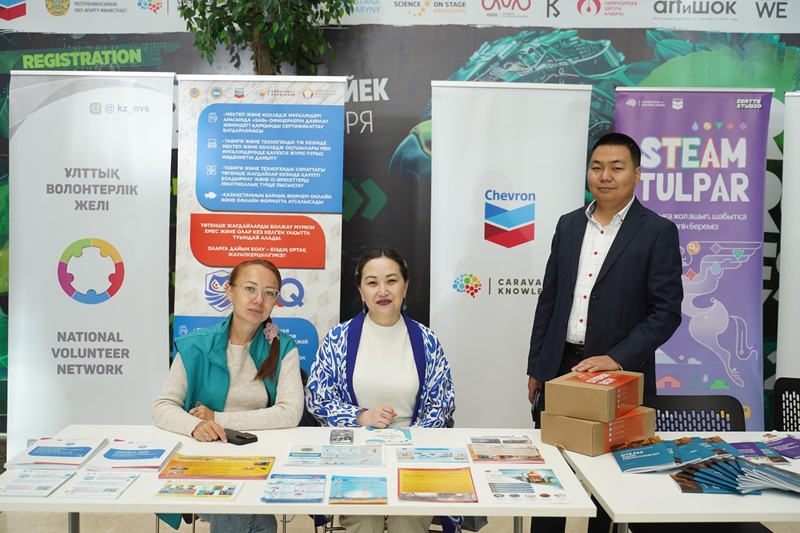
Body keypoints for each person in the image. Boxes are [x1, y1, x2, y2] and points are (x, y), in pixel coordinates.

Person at [527, 132, 683, 533]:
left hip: (618, 374)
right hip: (561, 366)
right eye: (597, 167)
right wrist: (537, 366)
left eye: (616, 167)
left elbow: (666, 313)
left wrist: (616, 357)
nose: (605, 176)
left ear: (637, 174)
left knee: (610, 483)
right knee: (552, 475)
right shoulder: (568, 225)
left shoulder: (657, 231)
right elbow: (549, 299)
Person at [306, 247, 456, 533]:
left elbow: (442, 404)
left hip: (413, 454)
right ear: (361, 290)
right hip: (355, 455)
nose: (383, 291)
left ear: (405, 286)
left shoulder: (426, 340)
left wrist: (410, 441)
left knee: (406, 521)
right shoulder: (338, 338)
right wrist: (360, 417)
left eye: (392, 280)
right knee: (365, 521)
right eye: (372, 282)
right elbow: (318, 399)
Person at [152, 258, 304, 533]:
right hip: (204, 460)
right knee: (236, 504)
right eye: (250, 288)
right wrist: (196, 425)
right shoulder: (196, 345)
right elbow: (163, 406)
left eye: (269, 293)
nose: (259, 300)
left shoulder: (284, 348)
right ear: (229, 291)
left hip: (261, 459)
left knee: (237, 505)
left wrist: (217, 418)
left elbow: (290, 413)